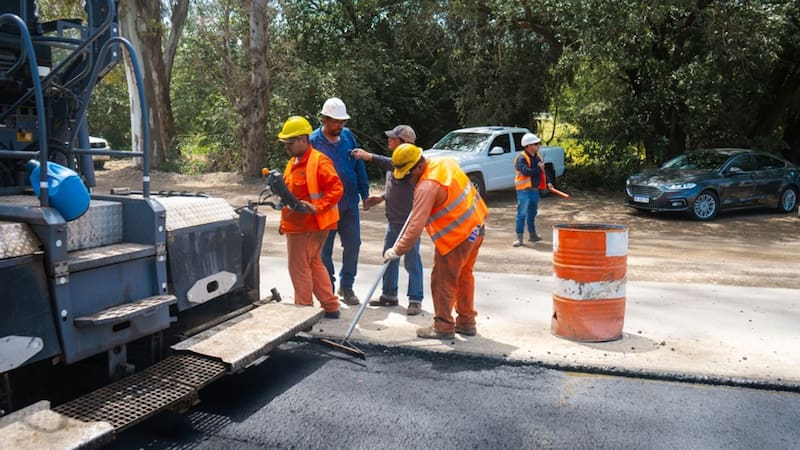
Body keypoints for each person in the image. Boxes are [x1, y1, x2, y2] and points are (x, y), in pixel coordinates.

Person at [383, 144, 489, 339]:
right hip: (477, 227)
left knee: (442, 279)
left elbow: (415, 226)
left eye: (407, 173)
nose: (407, 178)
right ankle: (466, 322)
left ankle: (443, 326)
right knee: (464, 275)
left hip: (457, 237)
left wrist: (397, 250)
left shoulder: (426, 187)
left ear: (417, 166)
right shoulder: (444, 164)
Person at [351, 125, 424, 316]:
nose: (389, 141)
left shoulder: (410, 163)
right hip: (393, 220)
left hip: (410, 222)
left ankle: (415, 299)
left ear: (405, 143)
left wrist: (368, 156)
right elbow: (396, 186)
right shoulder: (397, 162)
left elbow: (388, 164)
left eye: (393, 139)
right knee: (388, 257)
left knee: (412, 260)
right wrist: (381, 198)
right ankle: (389, 295)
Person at [277, 116, 344, 319]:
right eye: (285, 143)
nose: (287, 147)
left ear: (304, 140)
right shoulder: (293, 162)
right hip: (302, 224)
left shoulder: (318, 161)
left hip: (308, 226)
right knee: (314, 263)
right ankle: (330, 306)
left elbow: (336, 188)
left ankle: (303, 312)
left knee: (299, 268)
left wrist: (317, 207)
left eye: (290, 142)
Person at [309, 97, 370, 305]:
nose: (340, 125)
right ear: (324, 120)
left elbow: (358, 165)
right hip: (326, 207)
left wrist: (365, 194)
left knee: (353, 244)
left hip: (350, 203)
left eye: (342, 121)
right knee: (324, 250)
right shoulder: (312, 141)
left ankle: (347, 286)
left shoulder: (348, 136)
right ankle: (330, 289)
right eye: (335, 121)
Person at [512, 133, 552, 247]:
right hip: (524, 191)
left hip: (534, 190)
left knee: (532, 213)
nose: (538, 146)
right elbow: (526, 171)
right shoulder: (521, 158)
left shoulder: (538, 157)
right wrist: (538, 168)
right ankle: (519, 238)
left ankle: (532, 235)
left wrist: (548, 182)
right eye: (535, 144)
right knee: (522, 214)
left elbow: (543, 172)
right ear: (528, 146)